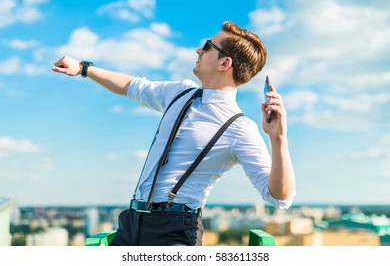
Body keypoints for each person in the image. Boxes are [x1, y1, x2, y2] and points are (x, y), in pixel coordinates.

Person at [52, 21, 296, 246]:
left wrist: (278, 139)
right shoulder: (181, 92)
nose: (198, 51)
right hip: (132, 221)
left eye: (207, 47)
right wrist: (83, 69)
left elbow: (279, 197)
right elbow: (133, 86)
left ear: (224, 63)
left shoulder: (239, 127)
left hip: (175, 231)